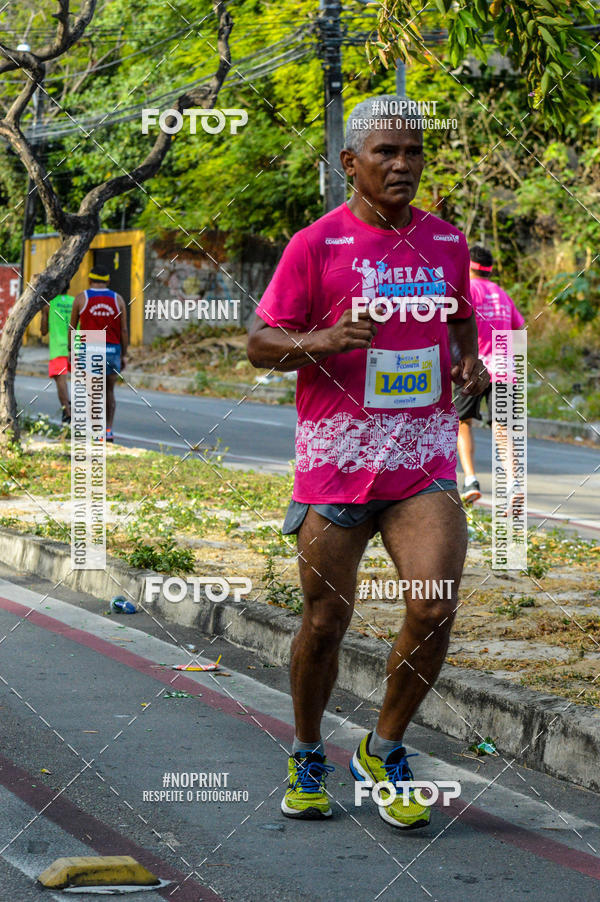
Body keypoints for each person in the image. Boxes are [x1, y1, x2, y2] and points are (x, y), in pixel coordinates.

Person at [247, 95, 490, 830]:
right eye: (386, 152)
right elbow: (260, 343)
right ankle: (307, 749)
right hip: (338, 463)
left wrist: (470, 363)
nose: (403, 165)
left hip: (421, 461)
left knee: (435, 603)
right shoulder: (315, 245)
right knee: (326, 621)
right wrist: (324, 342)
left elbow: (461, 315)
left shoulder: (446, 242)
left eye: (413, 152)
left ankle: (383, 749)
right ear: (350, 163)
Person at [455, 246, 525, 504]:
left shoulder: (467, 290)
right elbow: (519, 327)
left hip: (473, 368)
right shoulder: (502, 295)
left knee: (463, 423)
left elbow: (454, 324)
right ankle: (512, 482)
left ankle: (471, 480)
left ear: (469, 265)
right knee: (503, 426)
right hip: (505, 369)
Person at [68, 265, 128, 443]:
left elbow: (73, 328)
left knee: (92, 391)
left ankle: (96, 431)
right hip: (111, 349)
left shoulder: (81, 298)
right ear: (108, 280)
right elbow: (123, 330)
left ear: (89, 280)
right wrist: (123, 354)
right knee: (109, 391)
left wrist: (71, 350)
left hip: (90, 347)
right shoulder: (118, 300)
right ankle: (108, 430)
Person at [41, 292, 74, 423]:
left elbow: (43, 331)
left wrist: (43, 315)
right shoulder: (75, 301)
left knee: (61, 381)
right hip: (76, 344)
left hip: (58, 348)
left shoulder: (49, 304)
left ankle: (67, 412)